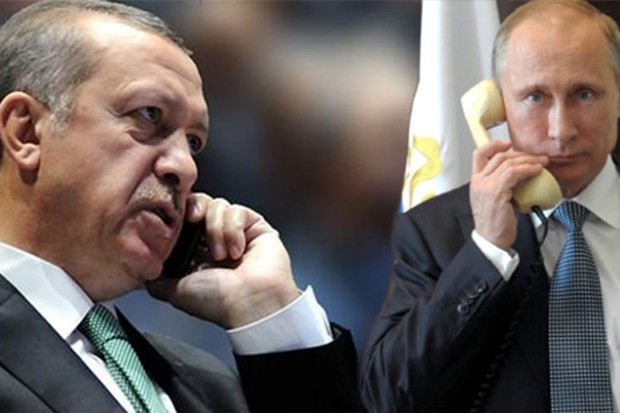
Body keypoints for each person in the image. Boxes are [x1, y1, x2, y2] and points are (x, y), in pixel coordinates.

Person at [0, 0, 362, 412]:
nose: (186, 168)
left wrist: (268, 310)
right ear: (26, 132)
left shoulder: (207, 387)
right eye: (149, 115)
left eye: (193, 142)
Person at [361, 0, 620, 412]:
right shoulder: (437, 232)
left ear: (618, 96)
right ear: (498, 108)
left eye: (583, 94)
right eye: (535, 97)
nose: (561, 130)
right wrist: (486, 251)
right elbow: (388, 397)